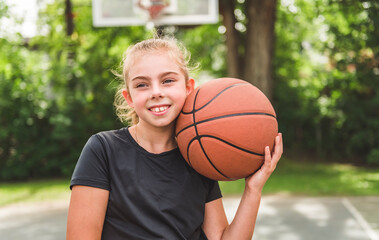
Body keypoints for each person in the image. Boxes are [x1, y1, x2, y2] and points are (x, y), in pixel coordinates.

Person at [66, 37, 283, 240]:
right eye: (142, 84)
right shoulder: (103, 150)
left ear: (188, 88)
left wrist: (253, 189)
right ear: (129, 97)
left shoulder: (200, 156)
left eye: (168, 80)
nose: (156, 92)